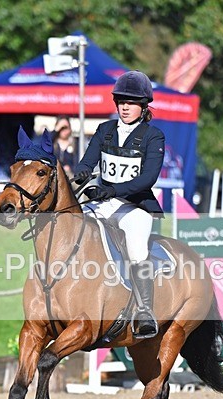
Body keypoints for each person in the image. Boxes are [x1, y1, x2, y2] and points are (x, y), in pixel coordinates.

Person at [73, 70, 165, 340]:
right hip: (102, 202)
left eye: (131, 102)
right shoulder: (105, 130)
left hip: (134, 207)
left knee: (136, 249)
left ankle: (145, 310)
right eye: (121, 101)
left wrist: (111, 190)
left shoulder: (153, 136)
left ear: (143, 105)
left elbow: (147, 179)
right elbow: (88, 161)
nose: (125, 107)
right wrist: (80, 173)